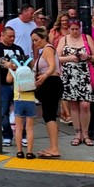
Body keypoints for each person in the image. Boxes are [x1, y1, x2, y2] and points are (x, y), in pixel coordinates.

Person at [58, 18, 94, 147]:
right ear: (68, 29)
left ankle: (86, 134)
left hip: (84, 75)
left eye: (77, 29)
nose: (75, 31)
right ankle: (77, 133)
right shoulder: (63, 40)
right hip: (70, 76)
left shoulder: (87, 38)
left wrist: (88, 57)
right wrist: (69, 58)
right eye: (72, 29)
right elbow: (56, 57)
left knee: (85, 105)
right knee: (74, 106)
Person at [0, 26, 27, 146]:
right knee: (3, 111)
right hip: (3, 84)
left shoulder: (18, 48)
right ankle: (7, 135)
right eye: (9, 36)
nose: (12, 39)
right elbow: (2, 63)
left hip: (19, 84)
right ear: (3, 35)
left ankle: (23, 134)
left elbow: (24, 62)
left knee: (21, 110)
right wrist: (13, 65)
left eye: (13, 36)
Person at [31, 27, 63, 158]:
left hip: (51, 83)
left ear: (44, 38)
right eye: (33, 41)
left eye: (36, 40)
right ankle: (53, 146)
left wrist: (43, 77)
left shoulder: (48, 49)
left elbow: (52, 67)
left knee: (49, 115)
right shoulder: (45, 50)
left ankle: (54, 148)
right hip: (50, 83)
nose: (34, 43)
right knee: (49, 115)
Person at [5, 53, 37, 160]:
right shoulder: (31, 71)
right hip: (30, 101)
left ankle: (19, 151)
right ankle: (29, 152)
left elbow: (8, 80)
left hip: (18, 100)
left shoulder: (14, 72)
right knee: (30, 128)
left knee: (18, 128)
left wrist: (10, 67)